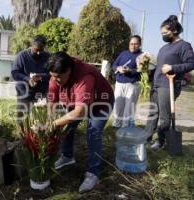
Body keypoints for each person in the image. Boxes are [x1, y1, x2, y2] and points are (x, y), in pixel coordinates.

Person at [47, 52, 114, 193]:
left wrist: (52, 125)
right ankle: (67, 156)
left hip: (100, 103)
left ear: (69, 70)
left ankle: (93, 173)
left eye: (58, 77)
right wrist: (50, 119)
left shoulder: (84, 77)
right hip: (76, 102)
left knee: (93, 133)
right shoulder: (56, 74)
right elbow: (52, 100)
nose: (55, 80)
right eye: (53, 76)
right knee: (66, 126)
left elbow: (79, 112)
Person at [145, 15, 194, 149]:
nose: (163, 35)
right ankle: (147, 137)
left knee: (164, 117)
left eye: (165, 33)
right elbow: (159, 67)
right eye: (162, 33)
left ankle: (161, 142)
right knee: (153, 112)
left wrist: (173, 68)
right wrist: (145, 69)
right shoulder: (164, 48)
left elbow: (191, 63)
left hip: (169, 85)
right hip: (156, 84)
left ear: (175, 31)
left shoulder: (184, 46)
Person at [11, 35, 50, 122]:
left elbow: (52, 74)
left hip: (41, 93)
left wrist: (41, 77)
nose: (39, 53)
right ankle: (20, 134)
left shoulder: (48, 57)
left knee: (40, 118)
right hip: (24, 92)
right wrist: (27, 79)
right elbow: (15, 73)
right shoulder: (22, 56)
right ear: (31, 46)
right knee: (22, 118)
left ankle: (37, 134)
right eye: (37, 50)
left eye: (41, 50)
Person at [112, 35, 143, 128]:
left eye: (135, 44)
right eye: (131, 44)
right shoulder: (123, 53)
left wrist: (130, 70)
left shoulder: (142, 56)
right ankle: (117, 123)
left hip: (132, 84)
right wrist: (118, 68)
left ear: (139, 44)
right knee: (118, 104)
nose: (133, 46)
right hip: (119, 83)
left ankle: (125, 125)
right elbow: (114, 64)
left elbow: (142, 70)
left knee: (129, 106)